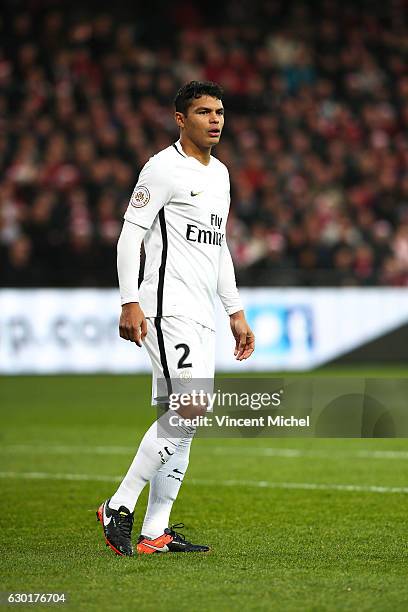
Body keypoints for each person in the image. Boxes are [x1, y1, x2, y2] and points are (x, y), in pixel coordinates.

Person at [97, 81, 255, 556]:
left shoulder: (222, 175)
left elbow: (218, 244)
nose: (215, 120)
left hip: (202, 314)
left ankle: (154, 533)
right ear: (180, 119)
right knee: (190, 409)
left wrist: (235, 310)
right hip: (166, 309)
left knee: (181, 418)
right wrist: (130, 301)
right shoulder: (163, 168)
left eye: (220, 112)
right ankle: (118, 505)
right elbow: (130, 235)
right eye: (204, 112)